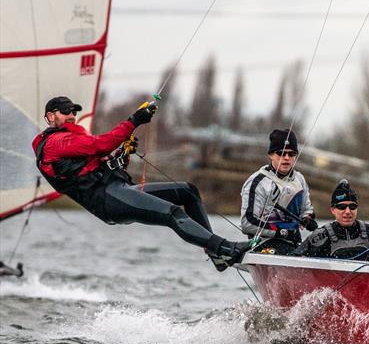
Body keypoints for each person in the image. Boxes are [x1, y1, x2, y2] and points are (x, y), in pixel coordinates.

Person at [32, 96, 249, 271]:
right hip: (108, 200)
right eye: (65, 111)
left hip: (117, 190)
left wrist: (121, 155)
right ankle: (224, 248)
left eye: (74, 111)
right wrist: (135, 119)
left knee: (188, 192)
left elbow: (100, 164)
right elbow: (101, 145)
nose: (71, 115)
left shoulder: (69, 142)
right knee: (172, 213)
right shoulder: (55, 142)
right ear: (50, 116)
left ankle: (216, 254)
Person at [240, 128, 316, 254]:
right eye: (281, 153)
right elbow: (247, 223)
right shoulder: (258, 182)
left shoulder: (299, 179)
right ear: (271, 155)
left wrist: (307, 218)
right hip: (265, 245)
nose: (286, 158)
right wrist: (281, 232)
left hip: (294, 244)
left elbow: (307, 210)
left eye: (291, 154)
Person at [293, 179, 369, 263]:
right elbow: (295, 263)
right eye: (342, 207)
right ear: (333, 210)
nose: (347, 211)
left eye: (352, 206)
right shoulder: (320, 236)